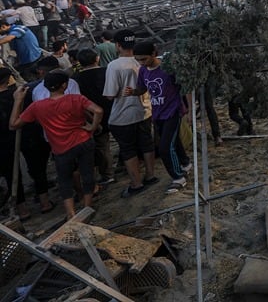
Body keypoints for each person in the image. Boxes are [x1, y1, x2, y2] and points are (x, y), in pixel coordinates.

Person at [10, 70, 103, 219]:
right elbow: (98, 110)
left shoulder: (37, 107)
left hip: (60, 147)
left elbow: (13, 124)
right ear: (64, 85)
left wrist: (17, 100)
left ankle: (70, 213)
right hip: (83, 140)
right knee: (87, 174)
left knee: (64, 180)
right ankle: (87, 207)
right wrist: (92, 127)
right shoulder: (76, 99)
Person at [128, 41, 192, 194]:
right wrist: (134, 92)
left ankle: (178, 177)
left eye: (143, 59)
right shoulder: (143, 71)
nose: (141, 62)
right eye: (138, 60)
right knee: (173, 141)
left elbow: (186, 87)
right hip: (158, 112)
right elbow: (143, 88)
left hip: (173, 111)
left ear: (153, 54)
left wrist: (190, 109)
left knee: (164, 147)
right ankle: (186, 163)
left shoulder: (168, 68)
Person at [103, 29, 157, 198]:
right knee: (146, 144)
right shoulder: (142, 60)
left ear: (118, 45)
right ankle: (150, 175)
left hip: (123, 115)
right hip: (145, 110)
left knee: (128, 150)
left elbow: (110, 94)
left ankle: (136, 183)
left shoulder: (114, 66)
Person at [74, 48, 115, 186]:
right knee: (124, 139)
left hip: (93, 115)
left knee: (102, 146)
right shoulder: (107, 71)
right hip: (114, 109)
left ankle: (107, 174)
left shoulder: (76, 79)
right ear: (97, 58)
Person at [0, 67, 28, 218]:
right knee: (26, 170)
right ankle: (39, 202)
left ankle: (22, 208)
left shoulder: (17, 95)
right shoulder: (18, 94)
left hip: (5, 141)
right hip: (22, 135)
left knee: (11, 175)